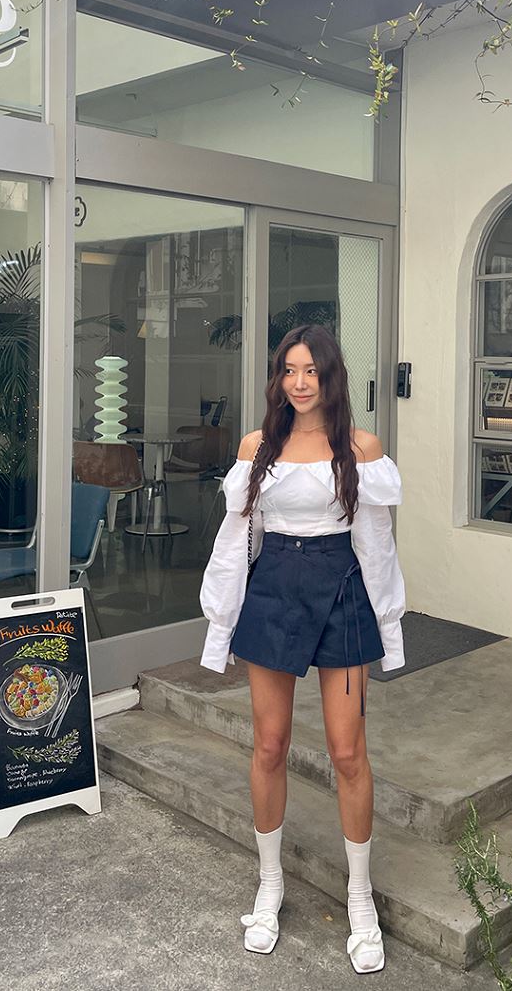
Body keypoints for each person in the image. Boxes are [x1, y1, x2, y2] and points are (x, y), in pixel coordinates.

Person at [199, 324, 407, 974]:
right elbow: (237, 541)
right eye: (289, 370)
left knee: (348, 752)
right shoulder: (257, 446)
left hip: (342, 590)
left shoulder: (361, 447)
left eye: (311, 370)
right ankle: (270, 884)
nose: (299, 382)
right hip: (274, 592)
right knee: (269, 745)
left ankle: (359, 896)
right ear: (278, 378)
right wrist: (221, 621)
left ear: (331, 375)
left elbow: (376, 544)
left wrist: (389, 623)